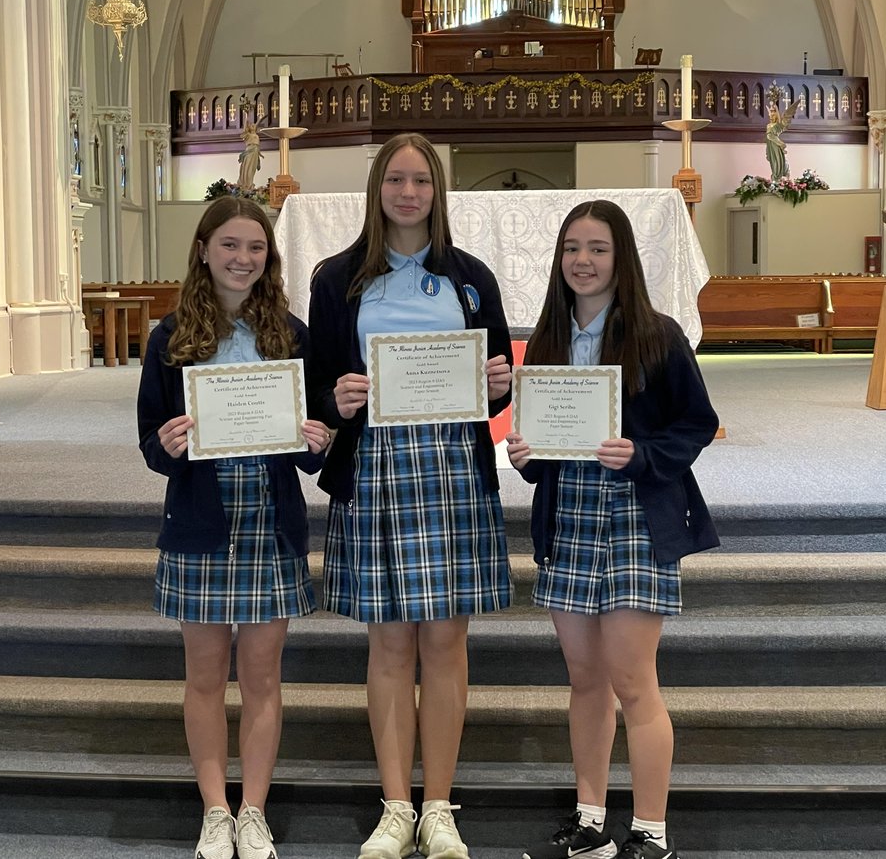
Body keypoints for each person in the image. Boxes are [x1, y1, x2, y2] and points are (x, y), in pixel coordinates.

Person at [306, 132, 513, 859]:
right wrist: (335, 398)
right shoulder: (337, 279)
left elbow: (492, 387)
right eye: (395, 179)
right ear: (377, 189)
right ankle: (396, 807)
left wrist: (499, 386)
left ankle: (439, 808)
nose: (408, 193)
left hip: (452, 466)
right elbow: (317, 384)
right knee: (390, 643)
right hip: (374, 466)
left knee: (447, 641)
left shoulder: (470, 277)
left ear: (437, 191)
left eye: (420, 180)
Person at [510, 200, 718, 859]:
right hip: (569, 519)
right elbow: (544, 448)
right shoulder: (546, 340)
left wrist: (643, 453)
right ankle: (591, 822)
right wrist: (527, 456)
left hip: (635, 519)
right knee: (585, 680)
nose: (583, 260)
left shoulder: (658, 335)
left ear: (620, 257)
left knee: (632, 681)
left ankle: (651, 831)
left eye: (598, 248)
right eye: (572, 248)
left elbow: (697, 422)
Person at [137, 196, 333, 859]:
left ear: (268, 258)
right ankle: (215, 810)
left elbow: (310, 444)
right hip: (201, 522)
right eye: (229, 245)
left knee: (262, 679)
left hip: (270, 523)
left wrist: (317, 440)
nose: (242, 259)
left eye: (255, 248)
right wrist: (168, 444)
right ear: (203, 250)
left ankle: (254, 810)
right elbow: (151, 441)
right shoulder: (169, 337)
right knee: (203, 678)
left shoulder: (291, 334)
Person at [764, 100, 796, 180]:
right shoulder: (768, 125)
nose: (771, 116)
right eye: (770, 115)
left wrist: (776, 107)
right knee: (773, 162)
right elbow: (768, 137)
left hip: (776, 144)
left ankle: (779, 177)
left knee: (778, 162)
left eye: (773, 115)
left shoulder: (778, 125)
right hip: (770, 145)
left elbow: (779, 119)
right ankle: (775, 178)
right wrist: (767, 150)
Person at [238, 120, 263, 189]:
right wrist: (246, 120)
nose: (253, 126)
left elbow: (257, 146)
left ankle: (250, 183)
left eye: (254, 125)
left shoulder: (257, 136)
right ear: (249, 127)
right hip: (249, 151)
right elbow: (244, 131)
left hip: (255, 152)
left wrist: (260, 154)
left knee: (252, 169)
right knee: (247, 167)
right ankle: (245, 184)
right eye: (252, 125)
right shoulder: (248, 135)